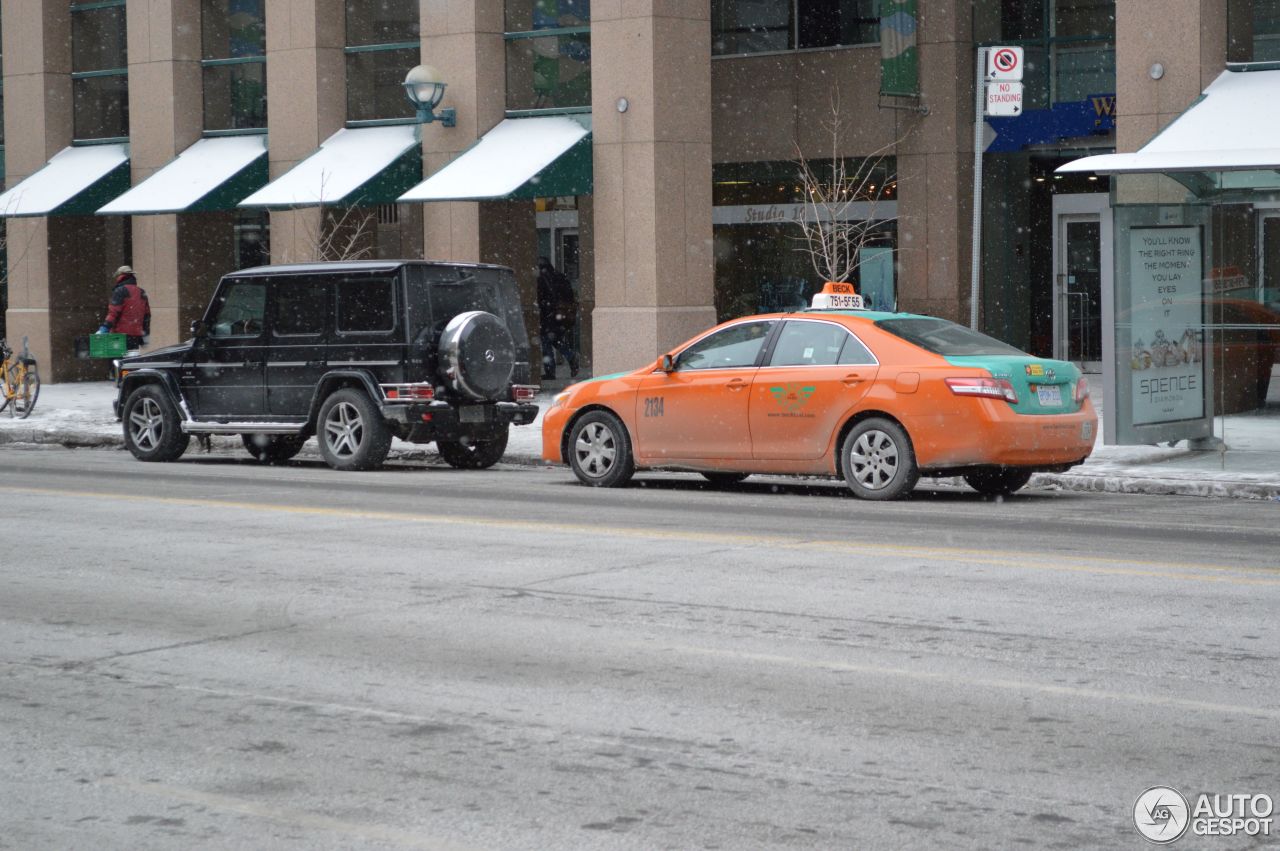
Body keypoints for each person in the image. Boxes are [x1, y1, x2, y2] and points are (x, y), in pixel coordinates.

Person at [536, 256, 579, 380]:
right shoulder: (559, 277)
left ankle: (550, 371)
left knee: (546, 341)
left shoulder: (542, 279)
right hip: (560, 315)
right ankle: (571, 357)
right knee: (555, 339)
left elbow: (542, 298)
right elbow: (569, 295)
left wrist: (544, 308)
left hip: (548, 314)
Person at [97, 265, 151, 349]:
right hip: (135, 337)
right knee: (131, 361)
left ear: (120, 276)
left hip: (120, 336)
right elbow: (147, 316)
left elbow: (113, 312)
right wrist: (145, 335)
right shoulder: (141, 292)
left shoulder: (120, 291)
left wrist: (105, 328)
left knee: (116, 361)